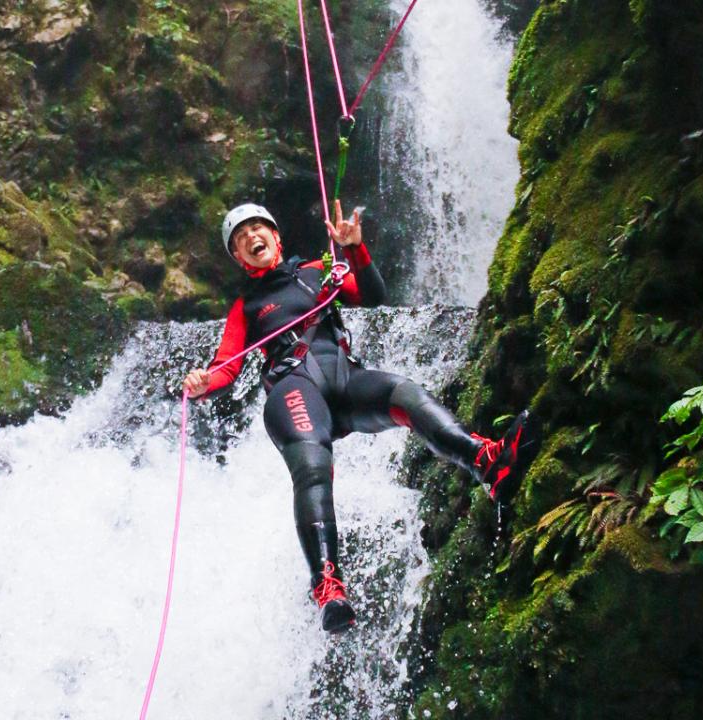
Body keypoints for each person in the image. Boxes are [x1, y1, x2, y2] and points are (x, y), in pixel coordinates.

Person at [183, 200, 535, 634]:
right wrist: (204, 383)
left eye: (260, 229)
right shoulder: (247, 306)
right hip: (295, 388)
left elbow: (373, 297)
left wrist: (355, 250)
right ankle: (327, 586)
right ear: (238, 257)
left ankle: (486, 462)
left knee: (405, 394)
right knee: (312, 469)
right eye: (242, 237)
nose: (253, 237)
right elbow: (227, 365)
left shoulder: (318, 270)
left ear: (277, 237)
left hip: (345, 377)